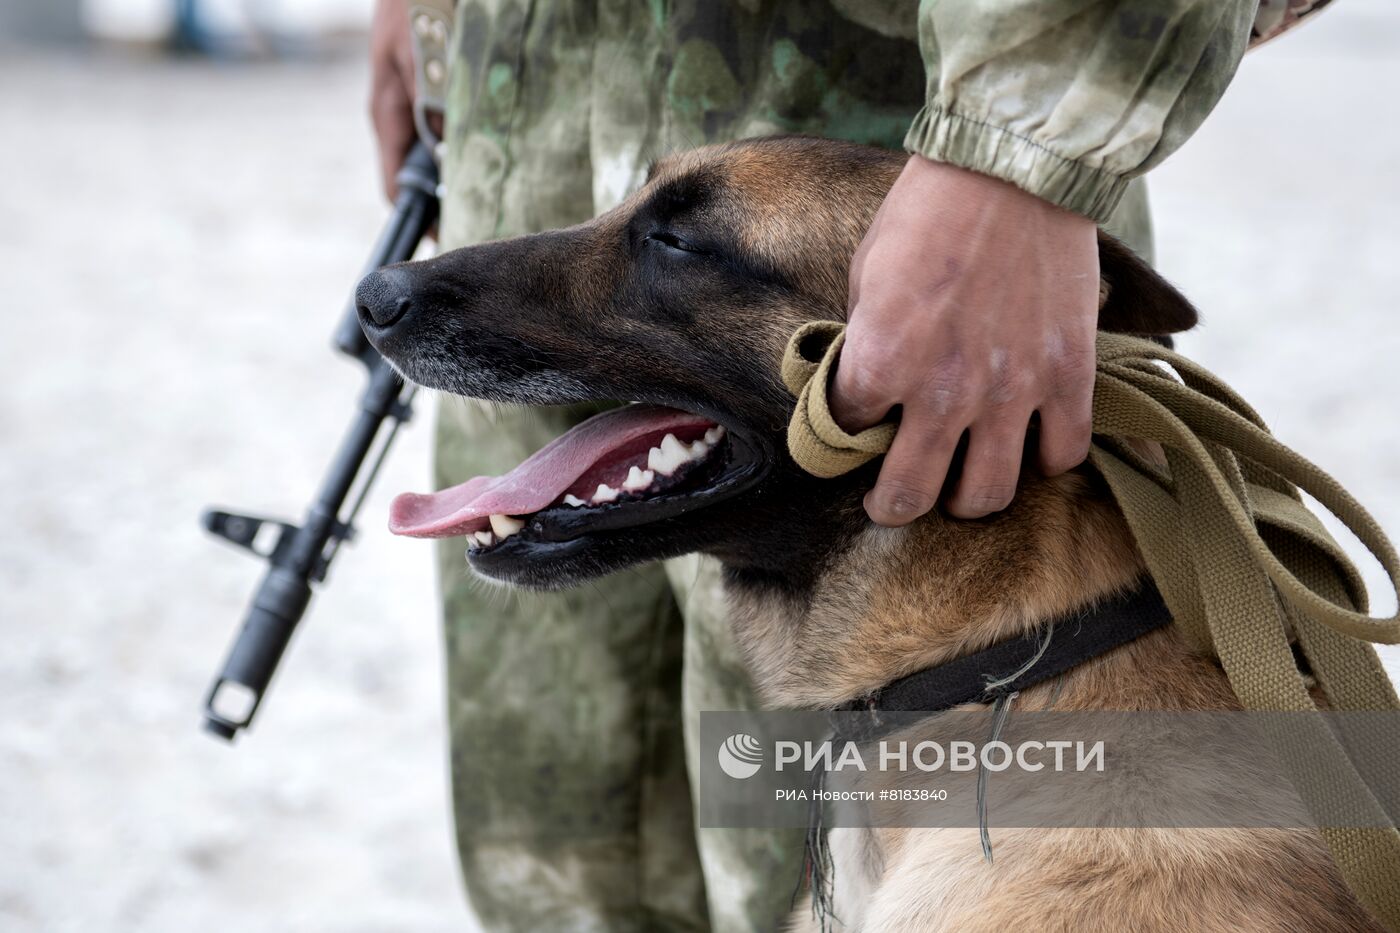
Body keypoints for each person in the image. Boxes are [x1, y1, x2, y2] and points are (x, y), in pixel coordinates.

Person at [369, 2, 1332, 930]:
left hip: (948, 207)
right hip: (541, 113)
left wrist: (1020, 164)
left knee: (770, 851)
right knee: (564, 872)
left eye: (672, 240)